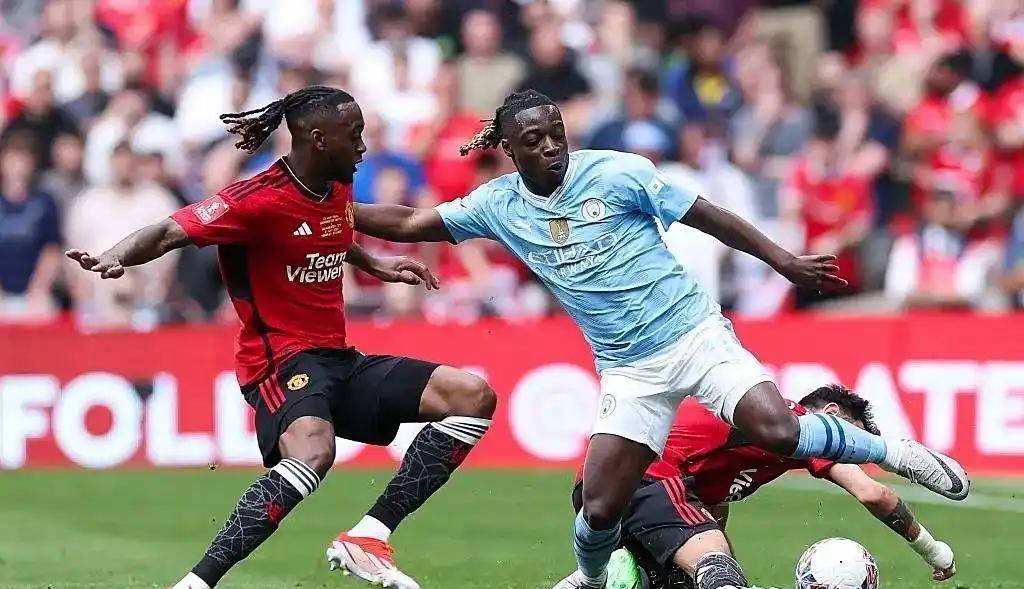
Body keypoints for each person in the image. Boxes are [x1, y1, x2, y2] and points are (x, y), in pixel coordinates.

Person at [352, 90, 971, 589]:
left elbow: (710, 216)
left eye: (556, 132)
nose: (551, 146)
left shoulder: (616, 172)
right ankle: (593, 578)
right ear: (509, 150)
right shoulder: (497, 204)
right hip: (629, 371)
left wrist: (783, 261)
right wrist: (330, 212)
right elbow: (411, 221)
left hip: (695, 334)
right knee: (598, 508)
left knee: (779, 430)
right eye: (533, 141)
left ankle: (893, 451)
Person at [65, 86, 497, 589]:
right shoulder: (254, 200)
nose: (363, 146)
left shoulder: (334, 185)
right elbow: (168, 231)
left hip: (338, 358)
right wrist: (116, 256)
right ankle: (195, 584)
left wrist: (372, 263)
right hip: (278, 361)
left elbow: (326, 228)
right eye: (354, 135)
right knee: (314, 451)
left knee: (472, 396)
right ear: (319, 139)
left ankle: (368, 536)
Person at [585, 386, 957, 589]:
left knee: (679, 579)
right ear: (831, 416)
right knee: (716, 568)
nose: (851, 452)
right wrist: (934, 551)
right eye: (852, 440)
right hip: (644, 475)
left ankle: (613, 575)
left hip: (604, 484)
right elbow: (875, 494)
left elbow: (707, 509)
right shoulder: (796, 423)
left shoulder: (762, 430)